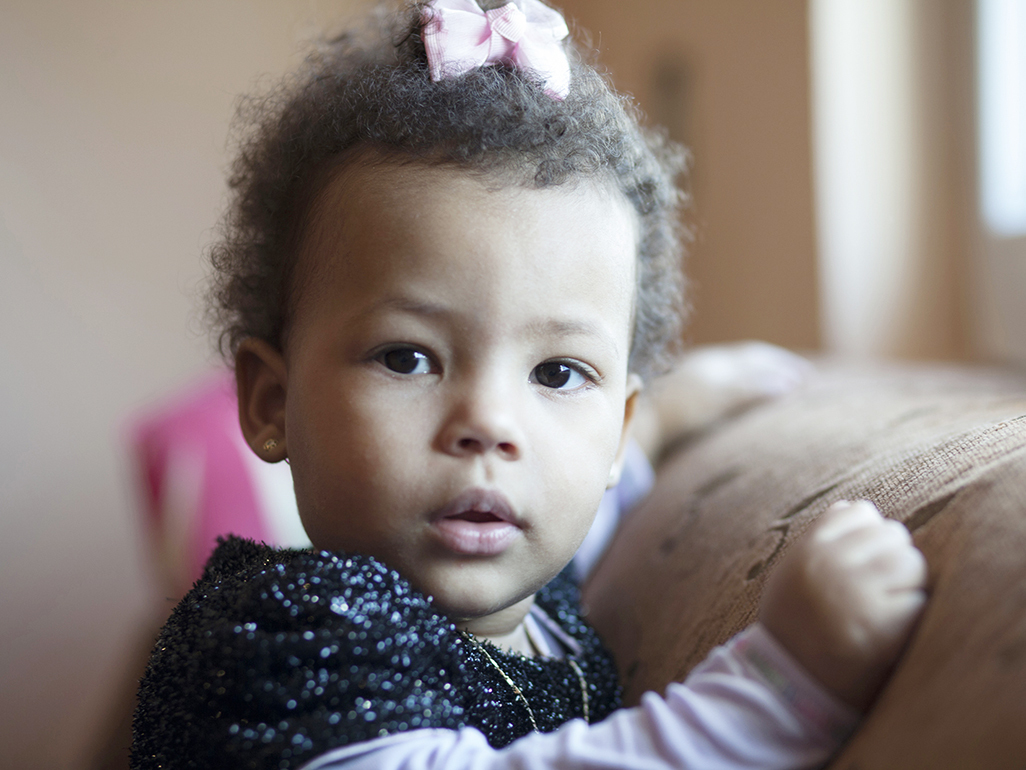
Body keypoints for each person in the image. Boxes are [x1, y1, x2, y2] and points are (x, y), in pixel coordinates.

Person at [131, 1, 928, 768]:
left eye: (556, 372)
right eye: (408, 358)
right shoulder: (280, 636)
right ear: (272, 404)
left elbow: (587, 493)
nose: (490, 423)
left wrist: (669, 415)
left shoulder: (539, 602)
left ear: (614, 429)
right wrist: (778, 688)